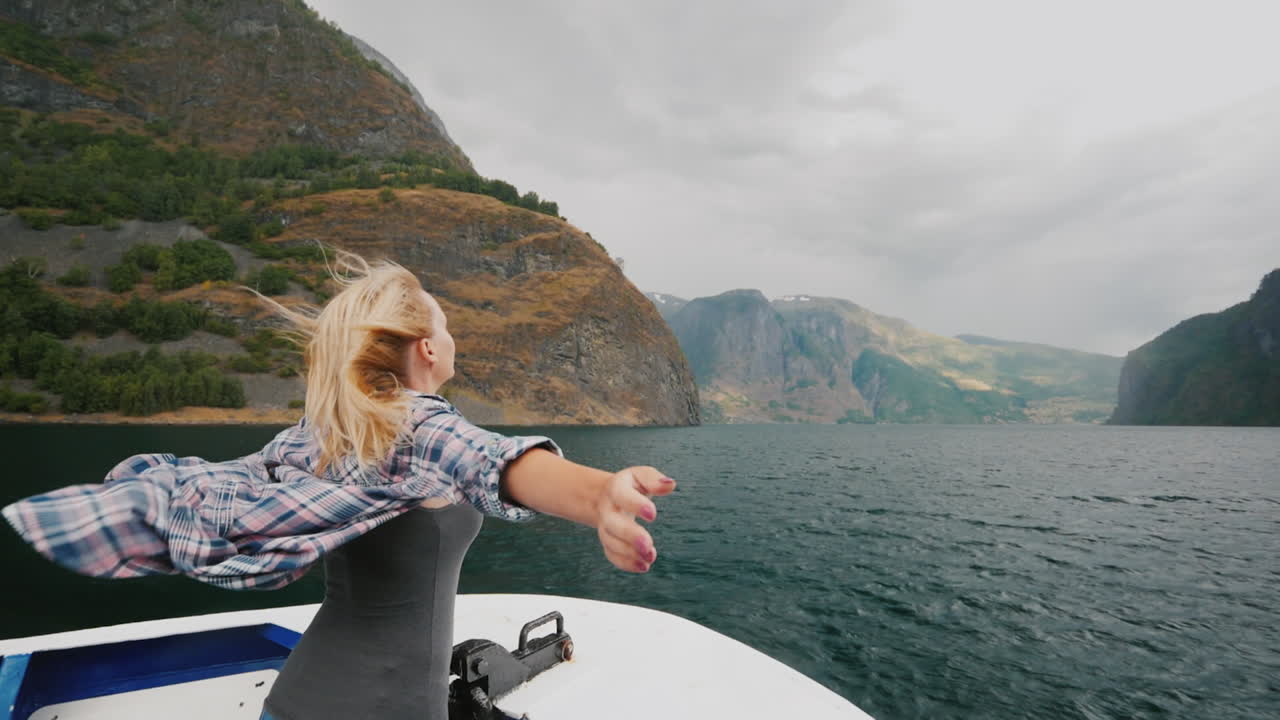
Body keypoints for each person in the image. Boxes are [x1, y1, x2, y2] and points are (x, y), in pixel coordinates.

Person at [2, 250, 676, 720]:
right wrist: (598, 498)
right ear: (426, 349)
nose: (449, 333)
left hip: (296, 700)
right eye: (443, 322)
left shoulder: (325, 430)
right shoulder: (417, 425)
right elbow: (493, 460)